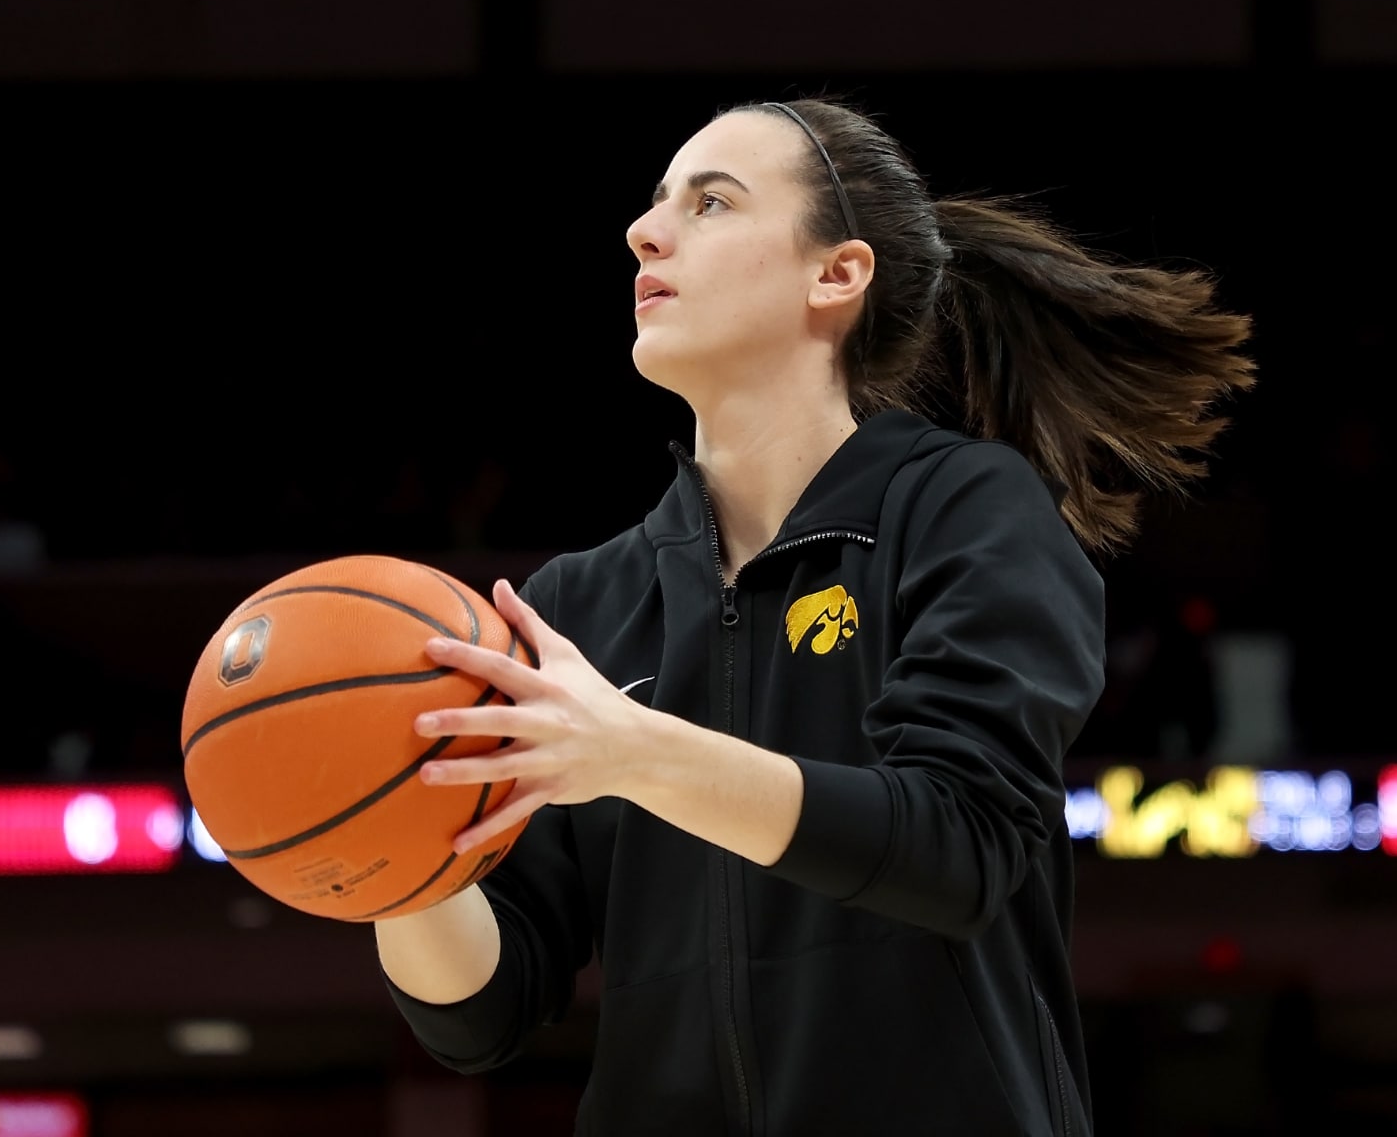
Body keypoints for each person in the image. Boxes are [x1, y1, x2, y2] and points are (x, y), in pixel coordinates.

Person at [374, 97, 1255, 1136]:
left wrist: (635, 753)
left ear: (835, 274)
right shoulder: (578, 606)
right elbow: (483, 1013)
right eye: (655, 204)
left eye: (710, 202)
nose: (644, 232)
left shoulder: (964, 509)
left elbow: (961, 843)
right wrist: (392, 854)